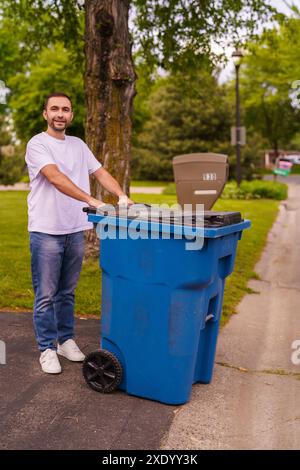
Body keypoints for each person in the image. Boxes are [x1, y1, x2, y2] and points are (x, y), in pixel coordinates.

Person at [25, 92, 133, 374]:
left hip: (75, 229)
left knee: (67, 292)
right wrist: (92, 200)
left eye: (66, 109)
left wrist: (121, 194)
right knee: (46, 293)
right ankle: (47, 348)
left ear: (71, 115)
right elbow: (55, 178)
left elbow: (100, 172)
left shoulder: (78, 145)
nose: (60, 114)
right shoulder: (38, 144)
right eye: (55, 109)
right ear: (45, 114)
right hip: (46, 230)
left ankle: (66, 340)